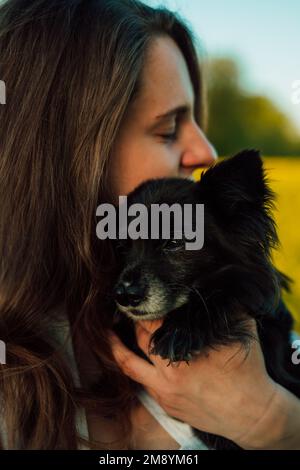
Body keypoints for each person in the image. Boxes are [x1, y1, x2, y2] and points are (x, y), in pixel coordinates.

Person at [0, 0, 299, 450]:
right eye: (167, 129)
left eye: (197, 120)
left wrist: (273, 421)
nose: (206, 151)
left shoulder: (252, 325)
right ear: (68, 151)